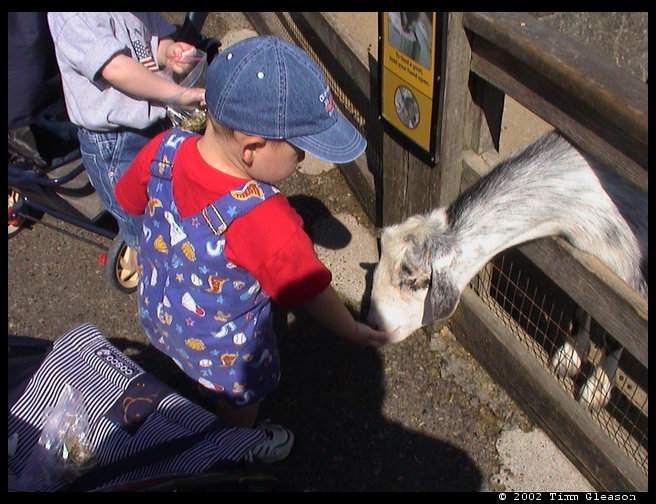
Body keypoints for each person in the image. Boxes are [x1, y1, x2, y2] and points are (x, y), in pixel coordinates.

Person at [114, 35, 389, 429]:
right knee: (241, 402)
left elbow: (128, 201)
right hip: (224, 358)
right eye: (299, 148)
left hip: (159, 316)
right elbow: (308, 290)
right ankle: (236, 442)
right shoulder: (266, 219)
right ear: (252, 149)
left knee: (187, 367)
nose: (304, 158)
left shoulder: (164, 149)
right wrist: (351, 329)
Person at [47, 12, 205, 259]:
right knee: (139, 213)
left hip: (151, 118)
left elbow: (149, 39)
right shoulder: (72, 16)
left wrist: (168, 52)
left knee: (170, 191)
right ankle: (150, 263)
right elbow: (117, 68)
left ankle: (174, 245)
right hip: (116, 139)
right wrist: (177, 94)